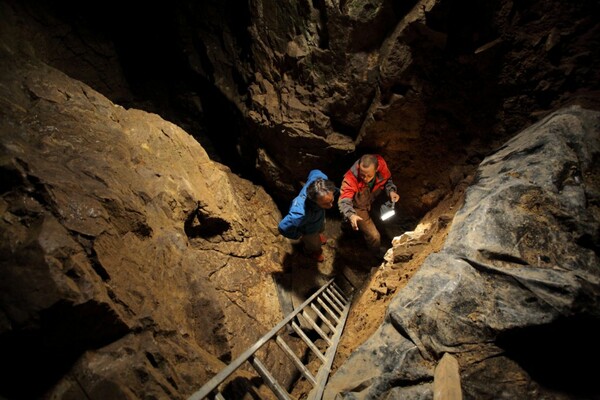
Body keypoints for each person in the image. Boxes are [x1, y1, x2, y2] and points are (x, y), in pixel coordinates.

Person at [338, 154, 400, 257]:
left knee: (385, 219)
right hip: (358, 207)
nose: (365, 179)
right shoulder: (350, 178)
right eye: (362, 175)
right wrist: (351, 215)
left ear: (376, 169)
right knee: (374, 236)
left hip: (372, 199)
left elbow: (388, 181)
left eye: (369, 176)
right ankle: (374, 255)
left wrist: (391, 191)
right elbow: (344, 200)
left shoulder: (381, 166)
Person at [278, 170, 337, 262]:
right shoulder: (300, 213)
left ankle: (318, 235)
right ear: (314, 201)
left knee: (321, 227)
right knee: (313, 244)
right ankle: (310, 251)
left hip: (317, 217)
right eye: (326, 204)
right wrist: (299, 234)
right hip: (308, 230)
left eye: (331, 200)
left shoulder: (320, 181)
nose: (331, 206)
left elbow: (315, 171)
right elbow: (283, 228)